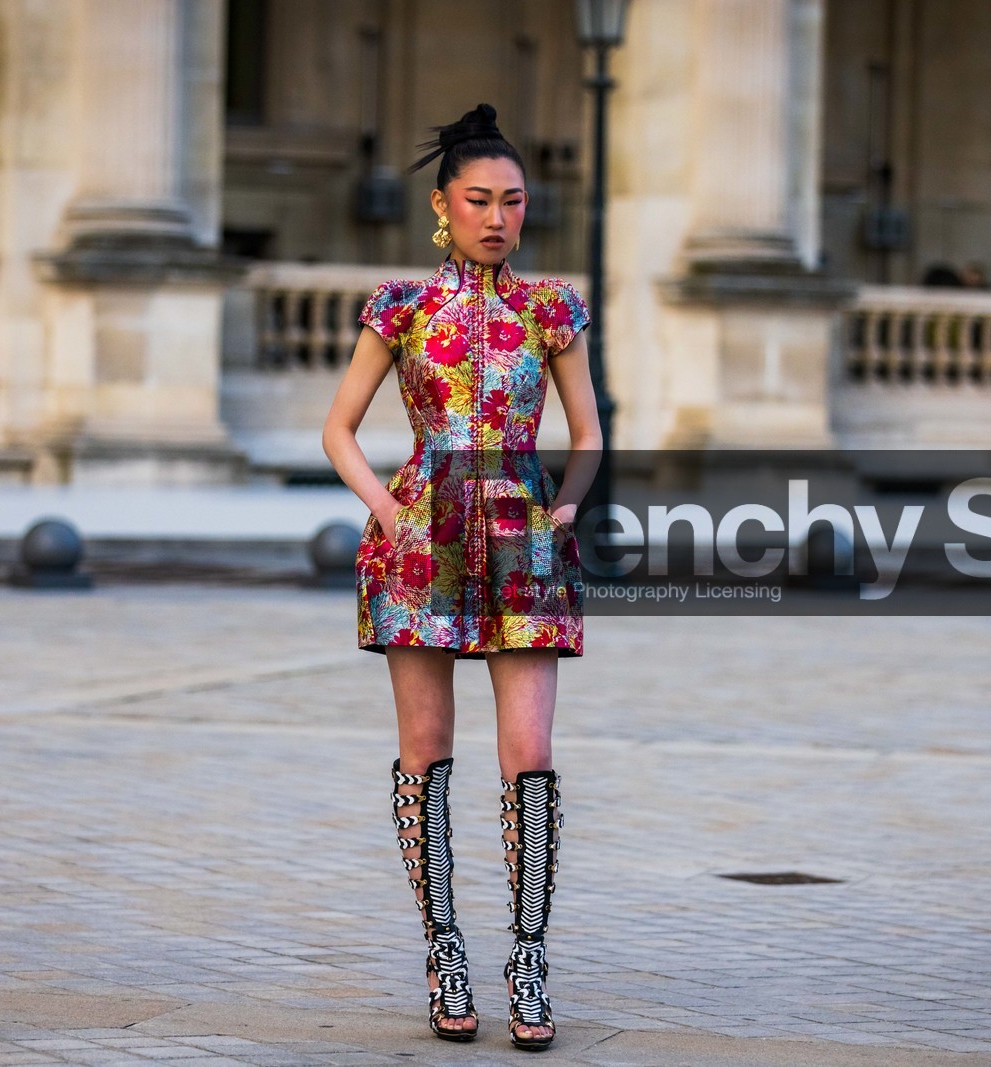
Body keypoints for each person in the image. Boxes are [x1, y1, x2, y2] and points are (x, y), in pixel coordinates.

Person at [321, 103, 602, 1051]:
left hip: (524, 537)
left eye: (513, 202)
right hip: (421, 540)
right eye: (478, 199)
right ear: (444, 205)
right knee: (426, 749)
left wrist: (567, 503)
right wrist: (390, 510)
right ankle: (445, 950)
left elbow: (590, 432)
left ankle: (529, 961)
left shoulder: (552, 308)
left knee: (531, 752)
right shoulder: (399, 307)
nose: (497, 216)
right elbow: (339, 428)